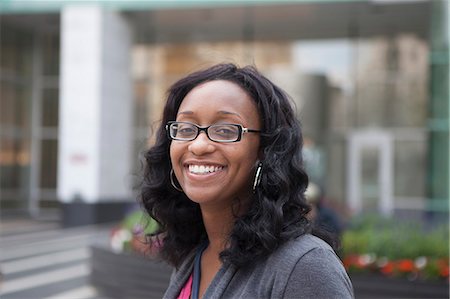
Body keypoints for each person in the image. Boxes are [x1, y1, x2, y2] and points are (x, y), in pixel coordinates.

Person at [141, 63, 354, 299]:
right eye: (186, 128)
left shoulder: (304, 266)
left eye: (225, 130)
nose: (199, 145)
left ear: (265, 150)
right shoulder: (194, 256)